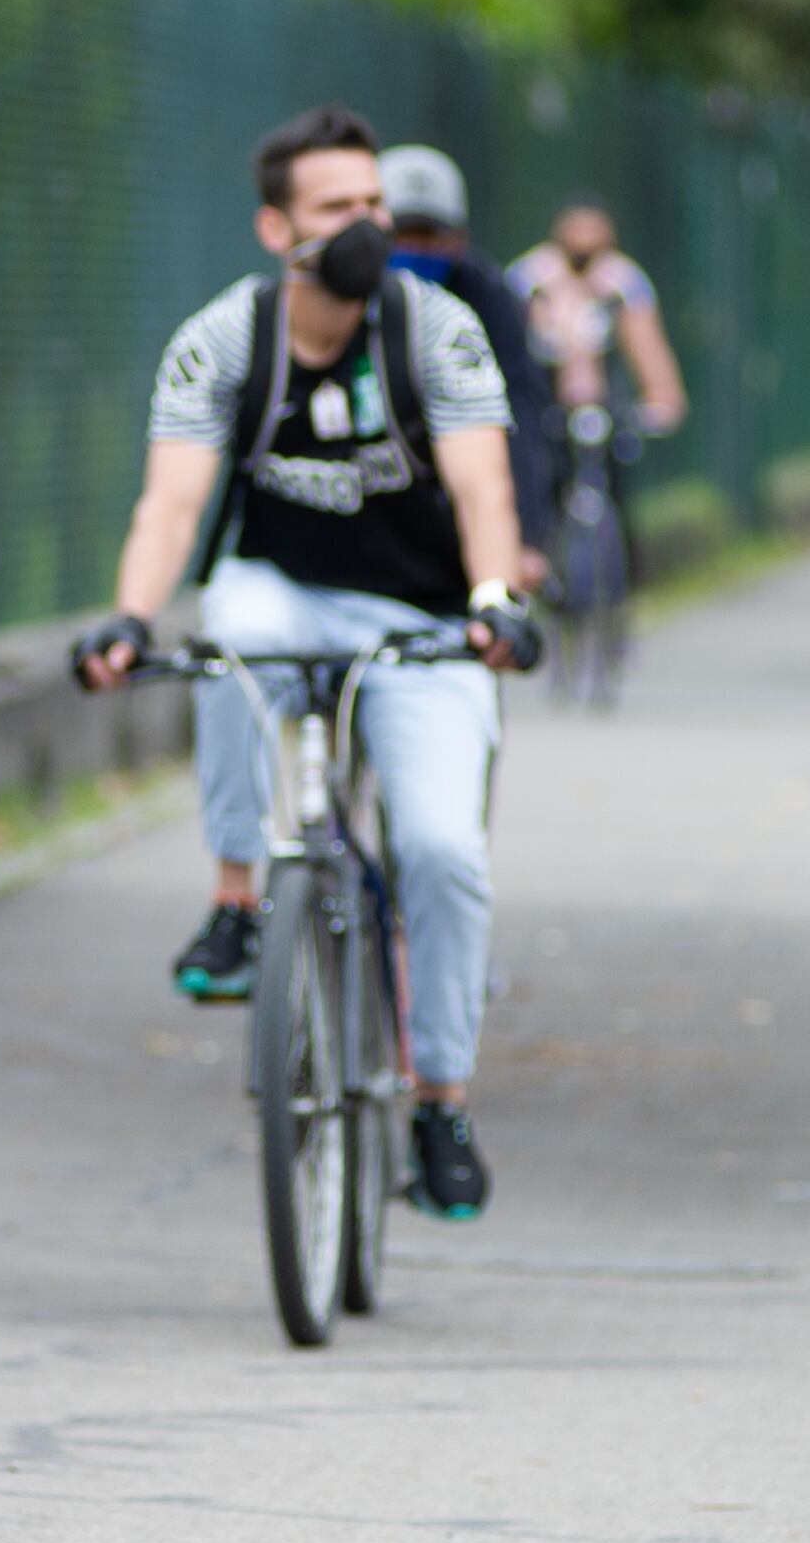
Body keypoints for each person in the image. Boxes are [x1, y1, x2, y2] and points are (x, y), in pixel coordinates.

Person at [76, 105, 534, 1220]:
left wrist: (495, 604)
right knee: (229, 638)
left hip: (423, 618)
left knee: (441, 851)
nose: (366, 225)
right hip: (282, 589)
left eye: (374, 203)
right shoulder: (224, 339)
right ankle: (237, 900)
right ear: (275, 228)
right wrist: (130, 618)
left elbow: (482, 486)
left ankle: (439, 1101)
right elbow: (171, 503)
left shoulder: (437, 332)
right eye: (337, 208)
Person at [378, 143, 561, 587]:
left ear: (458, 240)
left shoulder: (488, 299)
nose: (414, 248)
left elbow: (518, 408)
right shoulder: (346, 300)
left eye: (429, 236)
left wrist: (527, 538)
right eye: (401, 235)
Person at [509, 198, 689, 436]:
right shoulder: (531, 283)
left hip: (608, 422)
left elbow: (659, 377)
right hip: (537, 421)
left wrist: (650, 412)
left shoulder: (624, 288)